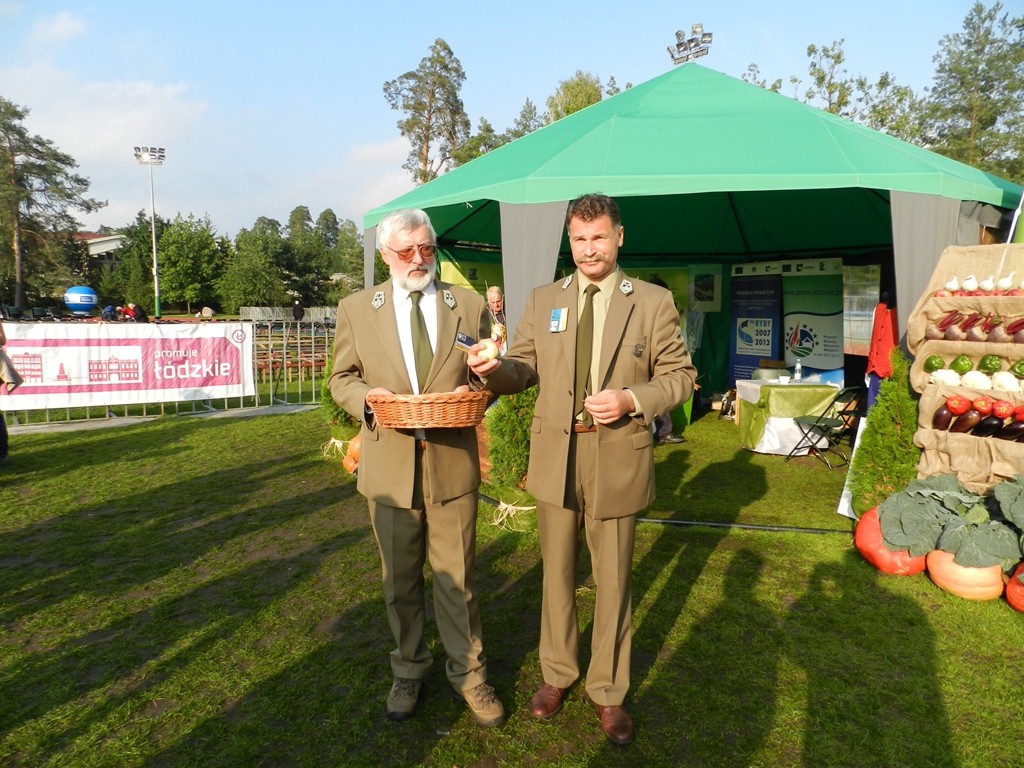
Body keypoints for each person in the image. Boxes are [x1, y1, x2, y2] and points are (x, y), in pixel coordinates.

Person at [468, 193, 697, 745]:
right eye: (579, 239)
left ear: (619, 237)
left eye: (598, 237)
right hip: (556, 454)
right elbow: (522, 369)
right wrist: (492, 368)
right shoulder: (544, 298)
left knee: (613, 579)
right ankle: (557, 674)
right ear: (568, 241)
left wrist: (632, 399)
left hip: (617, 454)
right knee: (556, 573)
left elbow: (682, 376)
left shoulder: (652, 301)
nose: (589, 249)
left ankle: (609, 690)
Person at [328, 208, 505, 727]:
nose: (418, 259)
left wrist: (482, 378)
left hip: (452, 463)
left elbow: (484, 376)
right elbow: (341, 378)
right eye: (405, 251)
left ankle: (470, 675)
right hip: (388, 468)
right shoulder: (356, 309)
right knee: (400, 581)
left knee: (459, 582)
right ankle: (408, 668)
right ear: (385, 255)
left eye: (426, 248)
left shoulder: (468, 305)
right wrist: (367, 399)